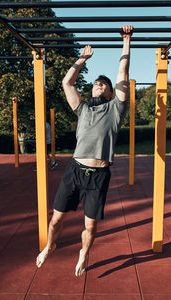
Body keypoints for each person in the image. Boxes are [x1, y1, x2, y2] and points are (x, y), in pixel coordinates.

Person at [36, 25, 133, 276]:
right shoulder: (83, 109)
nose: (99, 84)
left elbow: (123, 72)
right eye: (97, 83)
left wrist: (126, 41)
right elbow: (67, 82)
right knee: (56, 219)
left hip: (99, 176)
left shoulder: (115, 110)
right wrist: (81, 59)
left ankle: (84, 252)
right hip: (75, 171)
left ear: (111, 93)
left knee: (90, 226)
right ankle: (51, 245)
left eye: (104, 84)